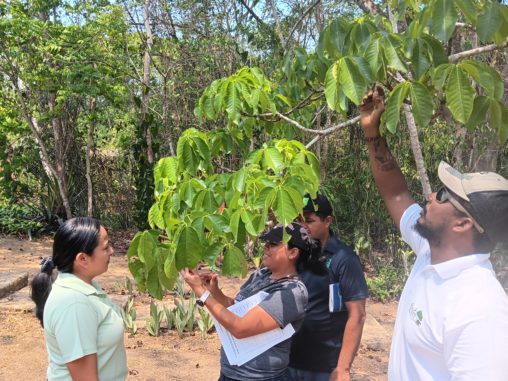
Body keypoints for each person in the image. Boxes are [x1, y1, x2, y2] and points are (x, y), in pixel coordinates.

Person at [359, 88, 508, 380]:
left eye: (442, 195)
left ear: (462, 224)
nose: (429, 195)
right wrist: (372, 132)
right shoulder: (432, 252)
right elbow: (397, 193)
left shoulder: (479, 307)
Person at [181, 222, 326, 381]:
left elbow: (240, 328)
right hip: (230, 374)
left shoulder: (292, 293)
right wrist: (214, 291)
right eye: (267, 243)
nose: (266, 247)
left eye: (273, 244)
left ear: (293, 253)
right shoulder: (261, 274)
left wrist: (200, 292)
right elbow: (235, 308)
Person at [31, 217, 127, 381]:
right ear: (82, 259)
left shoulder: (87, 286)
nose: (112, 251)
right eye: (105, 247)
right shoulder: (74, 303)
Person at [289, 193, 369, 381]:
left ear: (328, 221)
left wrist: (343, 369)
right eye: (298, 221)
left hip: (324, 366)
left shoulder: (344, 258)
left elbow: (357, 314)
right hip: (288, 362)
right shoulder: (294, 254)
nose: (302, 227)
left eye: (309, 221)